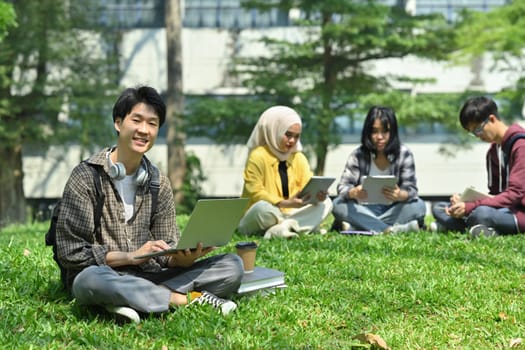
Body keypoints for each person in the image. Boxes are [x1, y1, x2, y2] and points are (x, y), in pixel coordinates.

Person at [55, 86, 243, 323]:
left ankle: (128, 302)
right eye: (137, 120)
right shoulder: (85, 177)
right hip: (106, 275)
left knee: (232, 265)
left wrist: (182, 259)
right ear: (118, 123)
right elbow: (71, 254)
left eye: (152, 124)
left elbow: (167, 250)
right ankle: (186, 299)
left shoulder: (158, 182)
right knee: (87, 280)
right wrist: (130, 256)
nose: (144, 130)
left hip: (152, 277)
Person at [431, 96, 525, 236]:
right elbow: (494, 194)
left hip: (519, 212)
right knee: (440, 207)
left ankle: (466, 226)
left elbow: (515, 194)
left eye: (478, 129)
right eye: (473, 133)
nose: (478, 135)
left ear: (492, 119)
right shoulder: (493, 152)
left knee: (481, 213)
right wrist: (464, 201)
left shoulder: (520, 145)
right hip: (502, 210)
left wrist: (471, 207)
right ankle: (484, 229)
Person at [237, 105, 333, 239]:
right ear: (273, 131)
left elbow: (308, 184)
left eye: (296, 136)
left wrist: (317, 195)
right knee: (263, 209)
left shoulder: (298, 157)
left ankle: (279, 230)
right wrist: (283, 203)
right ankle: (297, 226)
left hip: (291, 212)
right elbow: (255, 192)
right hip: (263, 215)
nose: (292, 141)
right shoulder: (258, 156)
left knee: (326, 203)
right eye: (288, 135)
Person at [332, 106, 426, 234]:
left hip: (393, 208)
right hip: (364, 208)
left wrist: (399, 195)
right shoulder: (358, 155)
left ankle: (361, 226)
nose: (379, 137)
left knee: (419, 206)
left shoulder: (404, 154)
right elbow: (342, 188)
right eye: (374, 131)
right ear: (367, 132)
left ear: (392, 132)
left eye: (385, 132)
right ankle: (388, 229)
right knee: (338, 204)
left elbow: (412, 191)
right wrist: (353, 192)